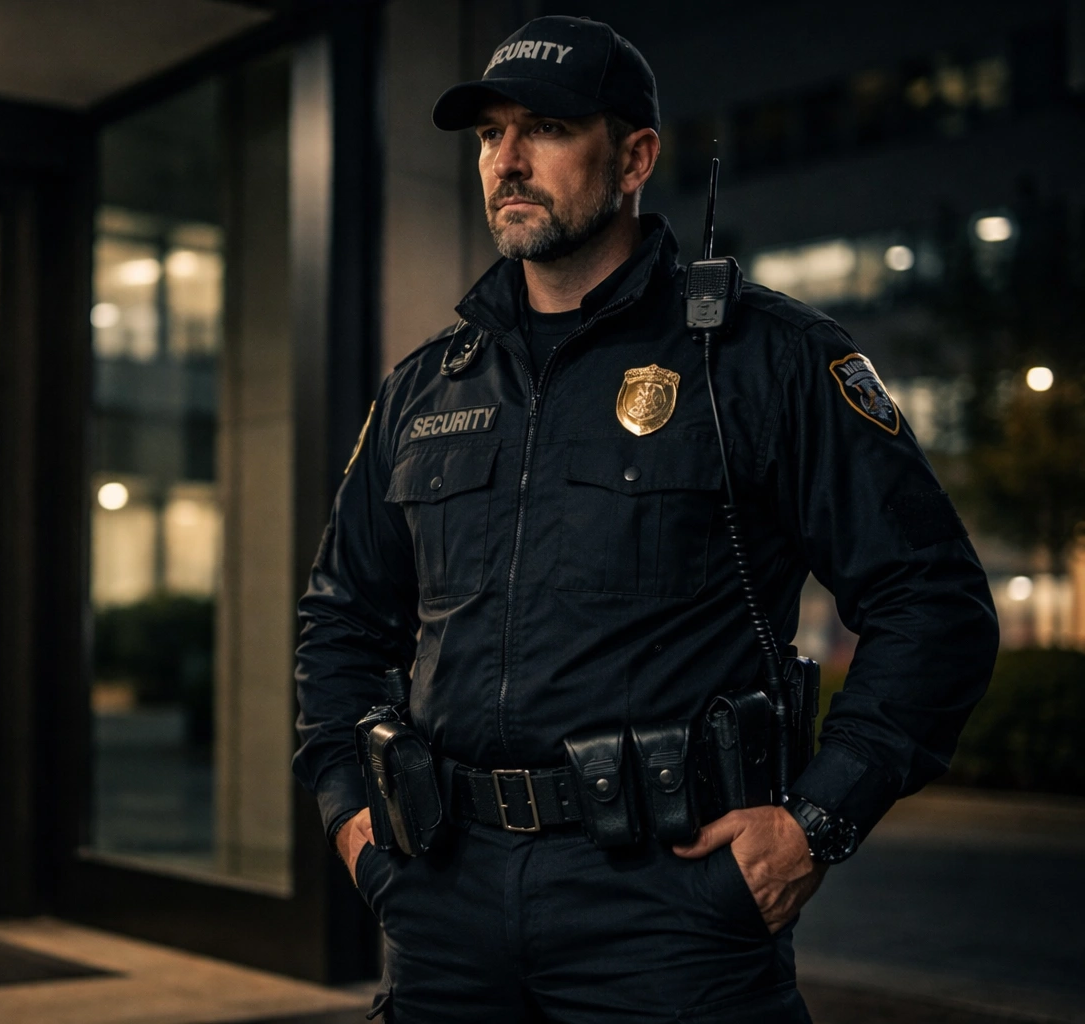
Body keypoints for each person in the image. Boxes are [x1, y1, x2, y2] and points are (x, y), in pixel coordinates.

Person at [291, 14, 999, 1024]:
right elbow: (340, 619)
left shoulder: (765, 360)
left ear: (634, 157)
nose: (508, 160)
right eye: (490, 134)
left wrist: (816, 824)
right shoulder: (426, 386)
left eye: (545, 127)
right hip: (444, 901)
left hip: (671, 909)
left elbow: (935, 604)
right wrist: (352, 818)